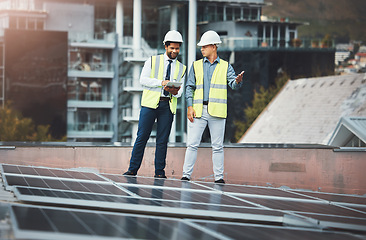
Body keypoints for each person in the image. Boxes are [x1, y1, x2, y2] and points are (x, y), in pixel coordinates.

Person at [181, 30, 244, 184]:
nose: (201, 49)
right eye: (201, 47)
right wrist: (190, 107)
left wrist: (237, 81)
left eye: (204, 46)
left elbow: (233, 86)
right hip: (198, 110)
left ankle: (219, 178)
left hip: (217, 111)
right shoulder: (196, 66)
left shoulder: (226, 66)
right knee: (192, 144)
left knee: (217, 146)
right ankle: (185, 175)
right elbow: (189, 87)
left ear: (214, 47)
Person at [123, 30, 186, 178]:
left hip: (168, 106)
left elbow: (181, 90)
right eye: (172, 48)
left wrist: (176, 91)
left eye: (177, 48)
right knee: (142, 137)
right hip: (150, 105)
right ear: (165, 46)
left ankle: (159, 173)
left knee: (162, 141)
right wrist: (161, 83)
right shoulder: (152, 60)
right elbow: (143, 80)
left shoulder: (181, 68)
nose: (175, 51)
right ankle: (132, 169)